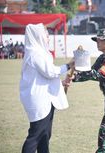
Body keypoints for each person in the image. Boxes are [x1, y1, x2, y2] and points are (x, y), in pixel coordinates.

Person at [19, 23, 73, 153]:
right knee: (35, 136)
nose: (48, 37)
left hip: (45, 99)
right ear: (38, 36)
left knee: (45, 135)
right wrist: (68, 66)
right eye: (46, 35)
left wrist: (61, 83)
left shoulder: (39, 52)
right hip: (39, 100)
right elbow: (50, 72)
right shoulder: (35, 54)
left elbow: (44, 78)